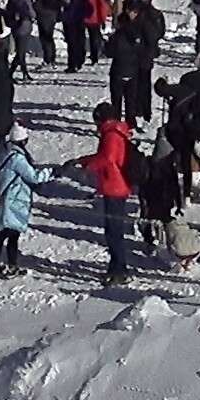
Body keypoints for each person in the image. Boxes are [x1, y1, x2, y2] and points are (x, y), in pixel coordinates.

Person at [79, 102, 137, 283]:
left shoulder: (111, 134)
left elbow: (108, 158)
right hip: (116, 186)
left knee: (114, 232)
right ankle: (116, 267)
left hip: (115, 186)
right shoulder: (115, 131)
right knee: (113, 231)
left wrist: (89, 166)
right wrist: (84, 160)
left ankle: (120, 270)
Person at [0, 131, 41, 276]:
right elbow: (34, 177)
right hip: (14, 201)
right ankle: (12, 266)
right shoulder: (18, 159)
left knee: (2, 234)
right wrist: (55, 172)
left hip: (4, 200)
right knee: (13, 235)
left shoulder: (5, 154)